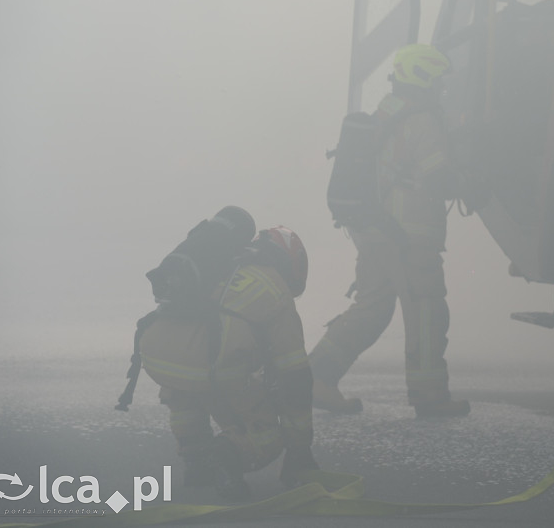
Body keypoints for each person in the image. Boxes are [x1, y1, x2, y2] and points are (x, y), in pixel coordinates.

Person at [309, 44, 471, 418]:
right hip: (409, 237)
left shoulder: (387, 111)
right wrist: (470, 185)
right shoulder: (423, 119)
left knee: (371, 309)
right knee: (427, 313)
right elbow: (438, 176)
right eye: (439, 80)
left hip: (375, 230)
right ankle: (430, 396)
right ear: (424, 78)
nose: (443, 88)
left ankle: (316, 376)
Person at [138, 225, 317, 500]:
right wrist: (299, 450)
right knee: (267, 438)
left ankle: (196, 462)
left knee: (187, 392)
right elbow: (295, 377)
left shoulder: (221, 265)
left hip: (158, 354)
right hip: (213, 364)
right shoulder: (275, 288)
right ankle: (225, 458)